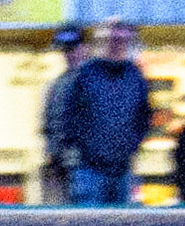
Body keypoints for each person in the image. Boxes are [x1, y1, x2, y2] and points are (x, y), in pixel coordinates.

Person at [57, 17, 149, 206]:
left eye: (121, 40)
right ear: (101, 41)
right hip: (89, 171)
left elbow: (144, 117)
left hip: (123, 171)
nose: (116, 44)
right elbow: (68, 119)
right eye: (112, 39)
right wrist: (81, 154)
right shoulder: (85, 75)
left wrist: (130, 148)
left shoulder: (135, 76)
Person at [40, 23, 87, 203]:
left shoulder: (92, 80)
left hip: (83, 163)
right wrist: (51, 152)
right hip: (61, 161)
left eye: (72, 49)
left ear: (83, 48)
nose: (68, 54)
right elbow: (50, 122)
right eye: (65, 50)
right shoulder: (58, 83)